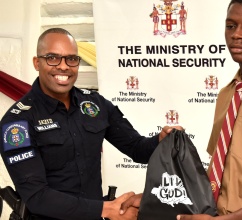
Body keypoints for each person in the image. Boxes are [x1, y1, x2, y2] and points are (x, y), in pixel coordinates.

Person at [120, 0, 242, 219]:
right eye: (231, 26)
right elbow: (220, 176)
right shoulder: (229, 93)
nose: (237, 35)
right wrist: (159, 197)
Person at [0, 27, 180, 220]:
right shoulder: (17, 123)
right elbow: (37, 196)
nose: (63, 66)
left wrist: (161, 141)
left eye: (71, 59)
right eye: (53, 58)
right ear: (37, 62)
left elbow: (136, 148)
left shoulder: (95, 105)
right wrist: (106, 209)